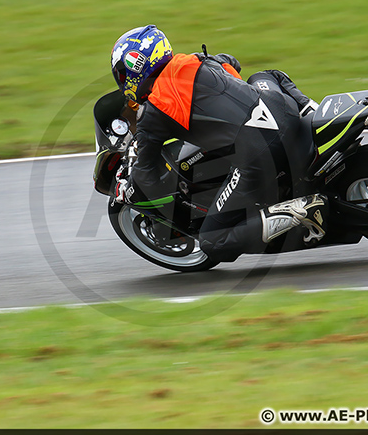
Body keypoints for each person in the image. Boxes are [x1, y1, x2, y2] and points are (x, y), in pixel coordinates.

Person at [111, 24, 329, 263]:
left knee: (212, 241)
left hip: (259, 153)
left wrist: (125, 190)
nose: (123, 81)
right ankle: (312, 110)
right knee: (266, 76)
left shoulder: (154, 111)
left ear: (136, 68)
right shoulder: (197, 60)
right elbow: (231, 63)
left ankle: (299, 211)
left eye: (122, 74)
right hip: (285, 112)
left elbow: (145, 176)